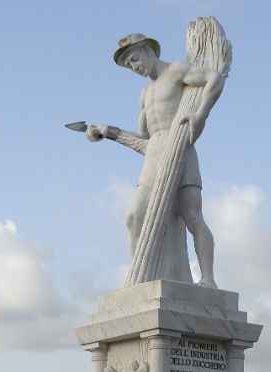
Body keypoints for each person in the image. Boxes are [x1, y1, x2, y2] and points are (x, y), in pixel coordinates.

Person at [86, 33, 226, 288]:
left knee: (192, 215)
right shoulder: (145, 93)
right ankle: (141, 280)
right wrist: (108, 132)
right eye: (128, 65)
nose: (134, 67)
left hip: (181, 147)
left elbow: (214, 78)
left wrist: (200, 115)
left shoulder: (176, 71)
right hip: (154, 154)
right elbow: (144, 138)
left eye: (134, 59)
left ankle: (208, 279)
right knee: (134, 216)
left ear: (149, 51)